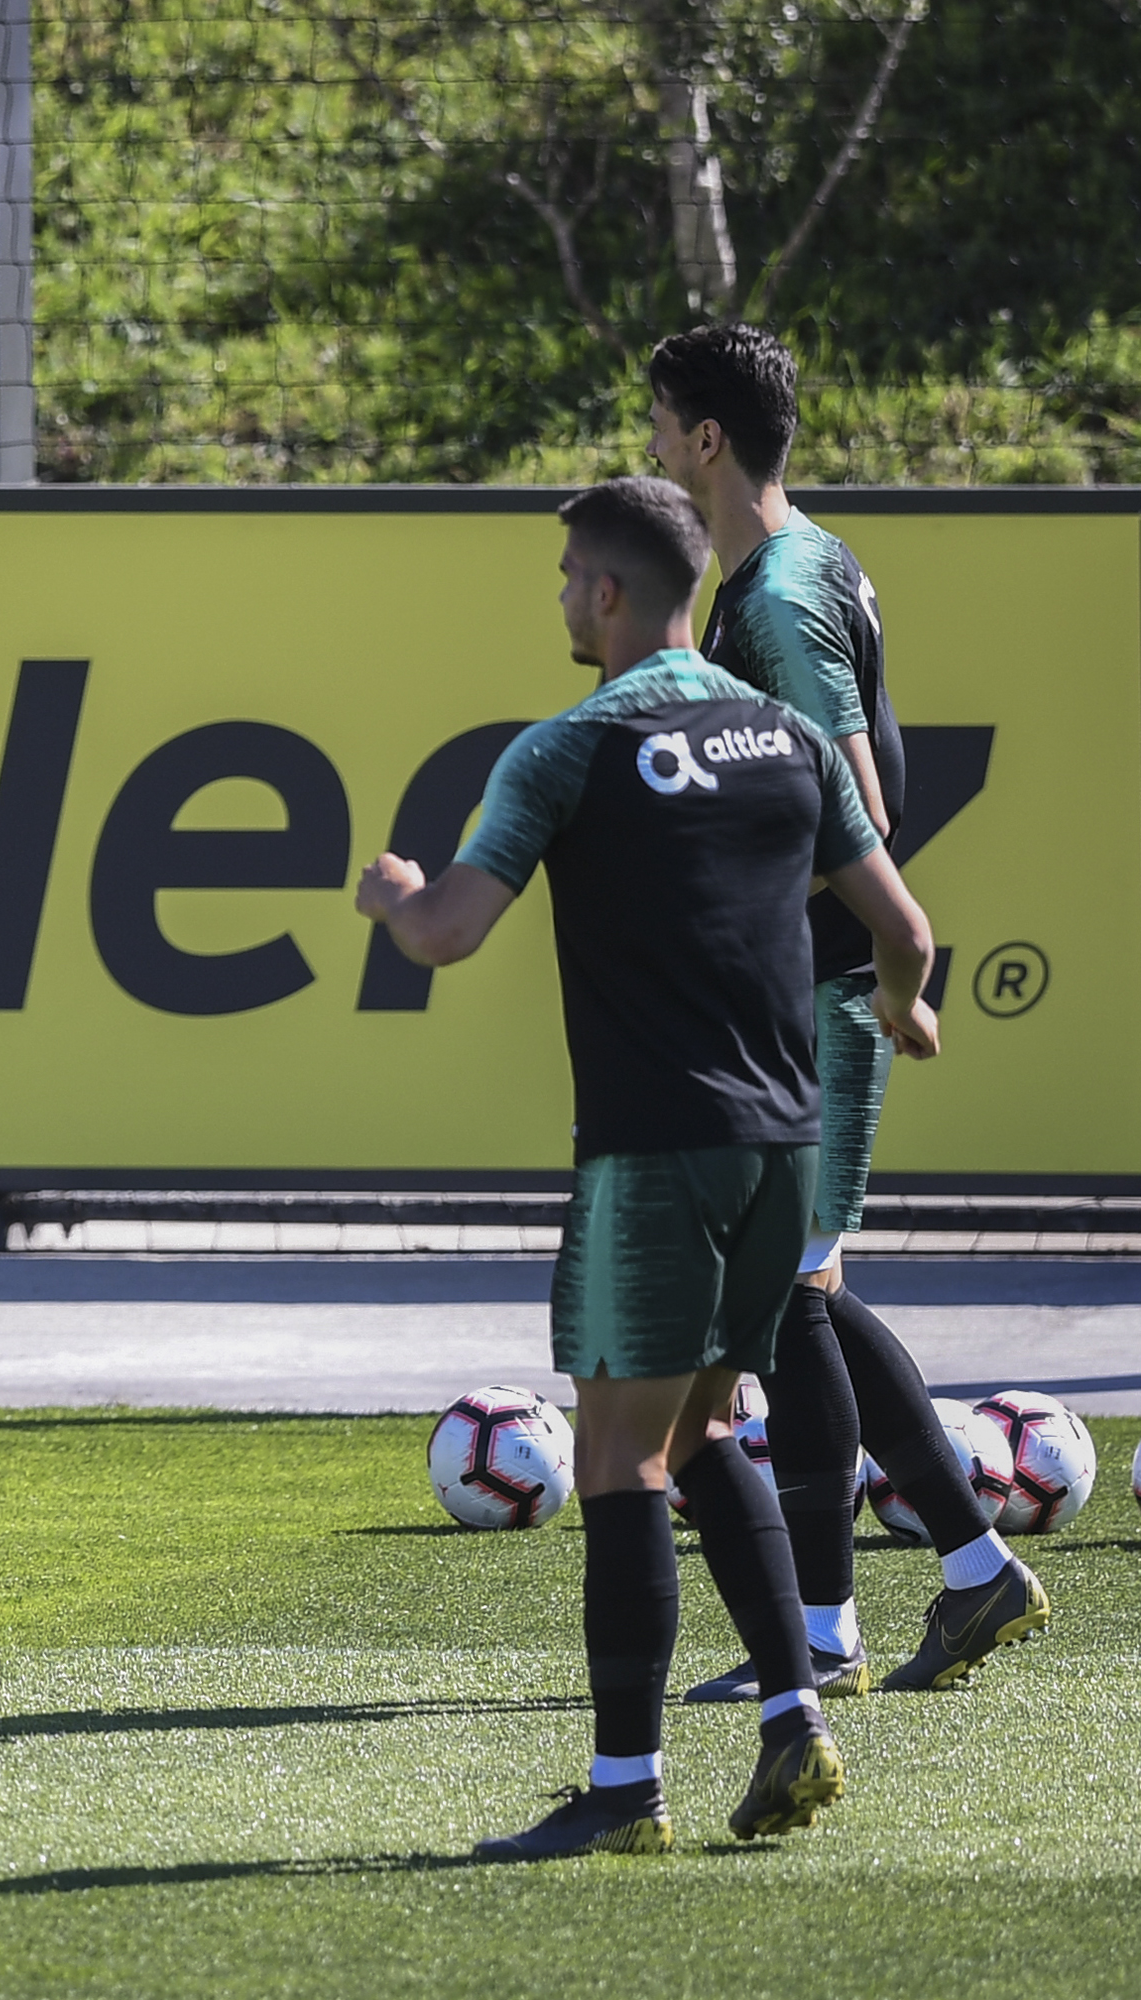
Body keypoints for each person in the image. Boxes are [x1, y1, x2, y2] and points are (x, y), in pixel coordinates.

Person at [359, 476, 941, 1860]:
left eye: (568, 576)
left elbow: (448, 933)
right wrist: (905, 1007)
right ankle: (796, 1707)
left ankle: (627, 1790)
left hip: (652, 1148)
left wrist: (391, 897)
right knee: (703, 1430)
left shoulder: (567, 748)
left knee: (620, 1460)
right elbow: (904, 927)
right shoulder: (792, 737)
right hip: (779, 1149)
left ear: (610, 592)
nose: (562, 596)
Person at [647, 323, 1047, 1697]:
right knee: (808, 1289)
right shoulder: (818, 557)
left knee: (794, 1303)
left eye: (658, 422)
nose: (649, 445)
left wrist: (886, 966)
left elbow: (852, 801)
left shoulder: (770, 601)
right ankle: (973, 1572)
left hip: (808, 988)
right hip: (825, 983)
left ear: (706, 439)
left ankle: (826, 1634)